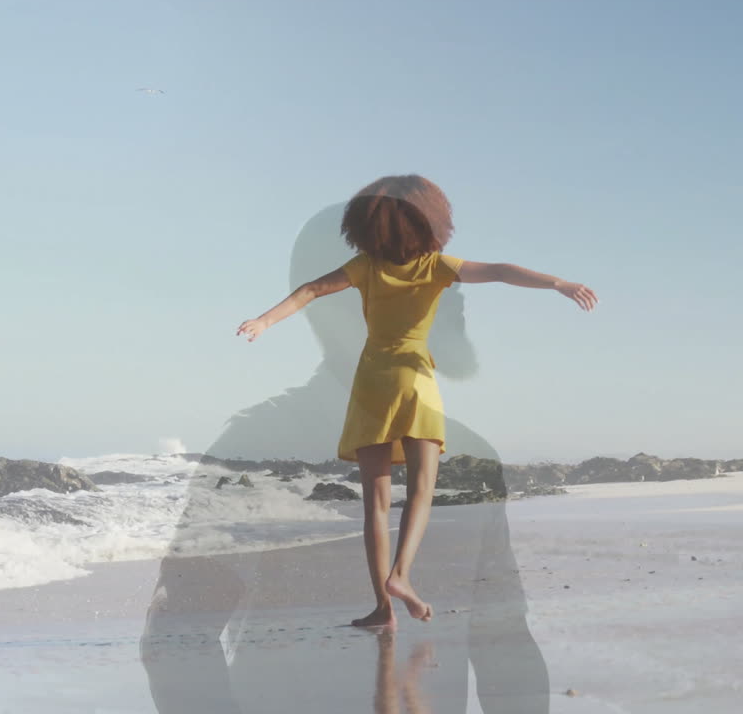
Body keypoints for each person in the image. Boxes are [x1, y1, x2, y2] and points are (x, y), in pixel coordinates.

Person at [235, 174, 597, 628]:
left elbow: (309, 290)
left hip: (371, 384)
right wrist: (559, 283)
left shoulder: (365, 266)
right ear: (429, 220)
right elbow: (503, 271)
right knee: (422, 488)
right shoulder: (435, 266)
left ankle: (382, 609)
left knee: (376, 504)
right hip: (415, 381)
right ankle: (401, 575)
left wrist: (264, 322)